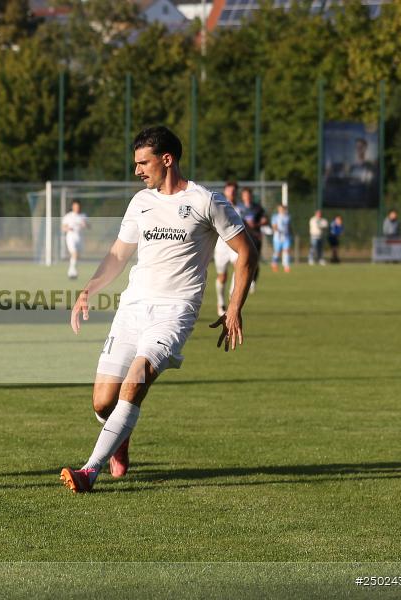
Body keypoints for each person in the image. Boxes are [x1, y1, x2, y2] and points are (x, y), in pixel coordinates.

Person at [59, 126, 257, 494]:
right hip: (132, 308)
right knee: (103, 401)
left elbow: (247, 251)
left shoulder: (206, 201)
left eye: (142, 163)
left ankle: (89, 471)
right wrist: (89, 289)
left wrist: (234, 307)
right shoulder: (140, 202)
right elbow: (118, 254)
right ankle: (120, 437)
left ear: (167, 159)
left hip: (174, 312)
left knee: (136, 380)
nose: (137, 170)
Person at [213, 181, 240, 316]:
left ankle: (232, 296)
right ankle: (220, 302)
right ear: (225, 191)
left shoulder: (241, 208)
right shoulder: (219, 204)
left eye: (234, 190)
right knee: (222, 276)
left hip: (235, 245)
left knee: (238, 267)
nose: (232, 192)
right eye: (230, 190)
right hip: (221, 245)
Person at [237, 187, 267, 291]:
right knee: (243, 260)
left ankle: (253, 281)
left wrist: (258, 223)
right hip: (242, 237)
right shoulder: (238, 207)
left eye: (248, 195)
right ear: (242, 196)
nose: (247, 197)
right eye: (245, 195)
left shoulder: (257, 208)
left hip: (255, 237)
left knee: (254, 261)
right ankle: (242, 282)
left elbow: (265, 219)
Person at [61, 199, 90, 279]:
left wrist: (85, 224)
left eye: (78, 207)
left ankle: (71, 270)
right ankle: (72, 272)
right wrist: (68, 229)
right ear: (72, 207)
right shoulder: (68, 216)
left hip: (80, 237)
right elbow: (63, 227)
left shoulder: (83, 216)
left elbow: (89, 226)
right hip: (71, 236)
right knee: (74, 253)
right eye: (75, 206)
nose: (77, 208)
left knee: (77, 256)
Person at [270, 204, 292, 273]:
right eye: (280, 209)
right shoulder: (275, 217)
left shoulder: (288, 217)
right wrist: (277, 230)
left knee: (286, 250)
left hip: (286, 237)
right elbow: (274, 226)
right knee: (277, 252)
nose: (281, 210)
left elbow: (289, 226)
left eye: (283, 209)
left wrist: (290, 233)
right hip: (278, 237)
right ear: (278, 210)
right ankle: (274, 263)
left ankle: (286, 266)